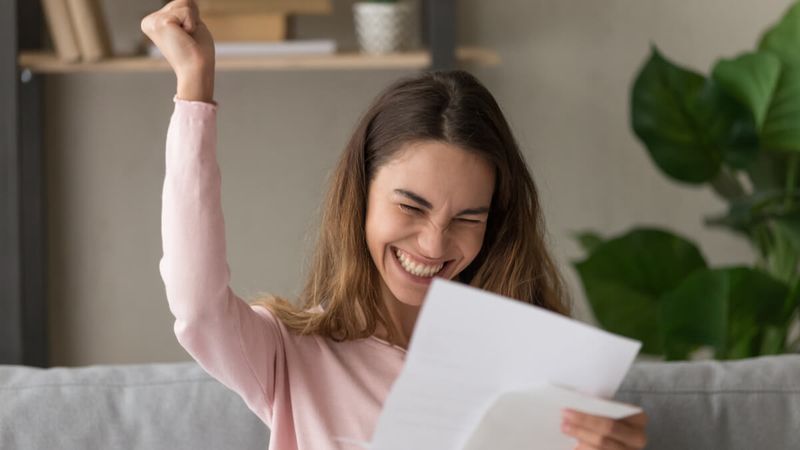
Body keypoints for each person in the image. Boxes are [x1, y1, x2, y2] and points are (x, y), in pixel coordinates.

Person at [142, 1, 649, 449]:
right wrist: (194, 87)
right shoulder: (290, 356)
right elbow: (196, 305)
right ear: (360, 195)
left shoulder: (537, 370)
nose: (434, 244)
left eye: (468, 218)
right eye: (411, 206)